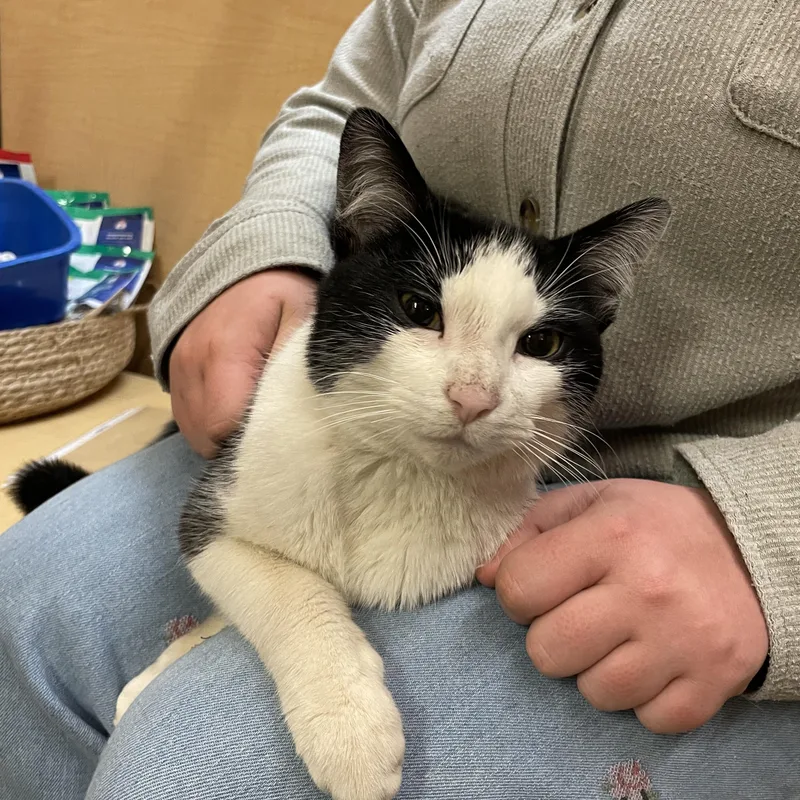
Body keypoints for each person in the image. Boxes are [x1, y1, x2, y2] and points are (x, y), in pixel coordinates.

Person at [2, 1, 799, 797]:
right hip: (359, 397)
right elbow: (342, 106)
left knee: (196, 768)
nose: (473, 394)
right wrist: (266, 248)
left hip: (665, 526)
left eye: (537, 343)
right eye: (427, 318)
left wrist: (770, 537)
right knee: (21, 606)